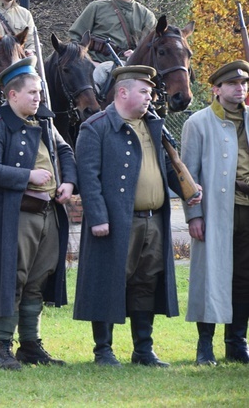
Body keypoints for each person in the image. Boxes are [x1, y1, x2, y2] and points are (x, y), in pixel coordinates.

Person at [74, 65, 201, 367]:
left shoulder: (153, 125)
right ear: (122, 92)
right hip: (117, 221)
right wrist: (98, 217)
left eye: (151, 92)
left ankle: (143, 349)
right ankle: (103, 350)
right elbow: (88, 178)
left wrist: (189, 190)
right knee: (109, 280)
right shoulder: (96, 127)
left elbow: (168, 168)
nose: (150, 98)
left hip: (153, 220)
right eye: (144, 91)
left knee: (147, 283)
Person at [0, 57, 76, 370]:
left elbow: (64, 152)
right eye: (32, 93)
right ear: (12, 95)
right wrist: (27, 176)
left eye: (39, 93)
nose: (38, 98)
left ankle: (30, 345)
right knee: (12, 280)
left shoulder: (44, 122)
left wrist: (69, 182)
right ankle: (2, 347)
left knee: (37, 281)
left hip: (47, 213)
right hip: (14, 214)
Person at [181, 60, 249, 365]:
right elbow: (187, 176)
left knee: (245, 278)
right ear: (216, 89)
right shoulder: (197, 123)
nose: (240, 89)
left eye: (244, 84)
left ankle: (236, 343)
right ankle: (204, 345)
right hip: (215, 212)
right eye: (233, 84)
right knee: (209, 276)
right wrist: (193, 216)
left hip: (247, 209)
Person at [69, 0, 157, 64]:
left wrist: (135, 54)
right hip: (93, 64)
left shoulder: (146, 16)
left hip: (129, 67)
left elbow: (152, 47)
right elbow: (76, 37)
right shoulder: (96, 7)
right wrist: (88, 62)